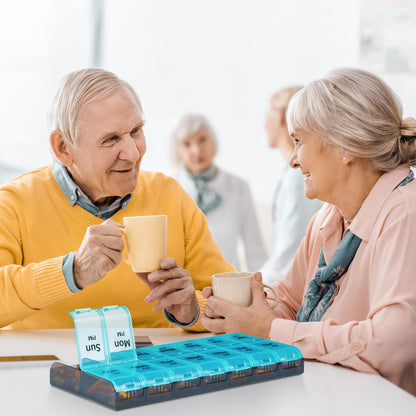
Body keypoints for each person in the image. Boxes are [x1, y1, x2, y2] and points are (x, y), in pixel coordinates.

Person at [201, 68, 416, 396]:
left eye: (299, 141)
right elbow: (290, 301)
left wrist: (269, 329)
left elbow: (392, 343)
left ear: (345, 146)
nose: (292, 160)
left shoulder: (404, 213)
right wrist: (239, 312)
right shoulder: (327, 217)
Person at [0, 68, 234, 330]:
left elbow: (229, 304)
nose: (133, 154)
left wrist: (191, 310)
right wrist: (72, 272)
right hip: (42, 368)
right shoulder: (12, 204)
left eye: (135, 131)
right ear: (63, 148)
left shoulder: (169, 195)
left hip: (154, 367)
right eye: (111, 139)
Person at [170, 113, 267, 271]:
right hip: (185, 287)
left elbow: (255, 251)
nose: (197, 150)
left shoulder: (239, 187)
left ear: (212, 141)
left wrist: (264, 290)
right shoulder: (170, 188)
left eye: (202, 140)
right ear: (177, 150)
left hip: (228, 284)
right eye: (187, 144)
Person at [260, 86, 323, 284]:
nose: (263, 125)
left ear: (279, 117)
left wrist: (251, 288)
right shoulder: (298, 173)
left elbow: (287, 254)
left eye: (266, 116)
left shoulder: (298, 177)